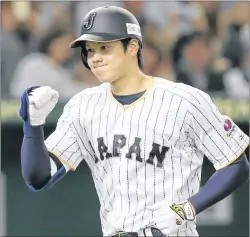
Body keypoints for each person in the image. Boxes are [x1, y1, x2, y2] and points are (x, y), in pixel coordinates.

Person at [19, 6, 249, 237]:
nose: (96, 58)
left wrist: (188, 208)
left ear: (132, 47)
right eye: (90, 50)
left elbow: (236, 163)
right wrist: (33, 126)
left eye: (105, 48)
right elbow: (39, 177)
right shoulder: (82, 106)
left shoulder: (184, 100)